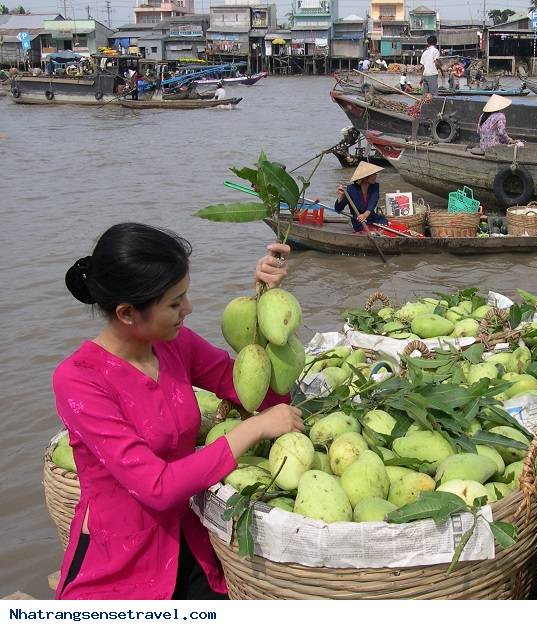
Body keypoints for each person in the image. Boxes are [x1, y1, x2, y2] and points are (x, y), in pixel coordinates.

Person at [53, 223, 302, 600]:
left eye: (184, 296)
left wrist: (265, 305)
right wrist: (252, 430)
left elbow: (261, 397)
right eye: (174, 303)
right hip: (123, 561)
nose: (188, 309)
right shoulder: (80, 381)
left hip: (192, 540)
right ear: (126, 313)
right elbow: (157, 488)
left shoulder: (175, 343)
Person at [334, 162, 389, 233]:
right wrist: (341, 196)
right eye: (373, 174)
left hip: (372, 218)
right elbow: (338, 209)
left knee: (385, 225)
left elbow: (373, 202)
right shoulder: (351, 189)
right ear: (365, 177)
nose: (376, 176)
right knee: (368, 231)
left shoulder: (375, 186)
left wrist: (365, 215)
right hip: (359, 222)